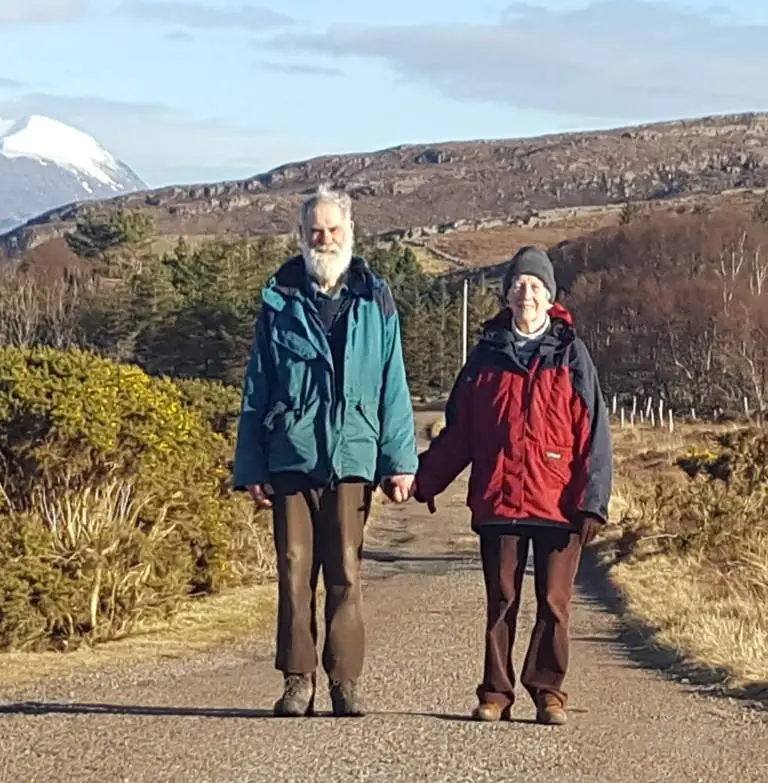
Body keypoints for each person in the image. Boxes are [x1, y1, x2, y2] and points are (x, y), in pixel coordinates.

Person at [232, 183, 417, 718]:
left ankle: (345, 681)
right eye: (316, 230)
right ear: (302, 235)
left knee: (346, 570)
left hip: (353, 456)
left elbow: (393, 384)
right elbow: (257, 386)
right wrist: (251, 467)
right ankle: (297, 680)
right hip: (291, 454)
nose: (325, 238)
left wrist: (400, 461)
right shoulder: (279, 299)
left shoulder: (375, 298)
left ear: (350, 233)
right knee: (293, 570)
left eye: (334, 229)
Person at [413, 245, 612, 725]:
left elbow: (594, 432)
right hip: (499, 499)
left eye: (536, 286)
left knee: (554, 604)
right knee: (501, 601)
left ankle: (548, 691)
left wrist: (592, 501)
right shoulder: (486, 355)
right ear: (506, 294)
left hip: (559, 503)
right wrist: (422, 480)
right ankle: (495, 693)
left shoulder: (572, 354)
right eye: (519, 285)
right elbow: (460, 429)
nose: (527, 293)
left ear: (550, 298)